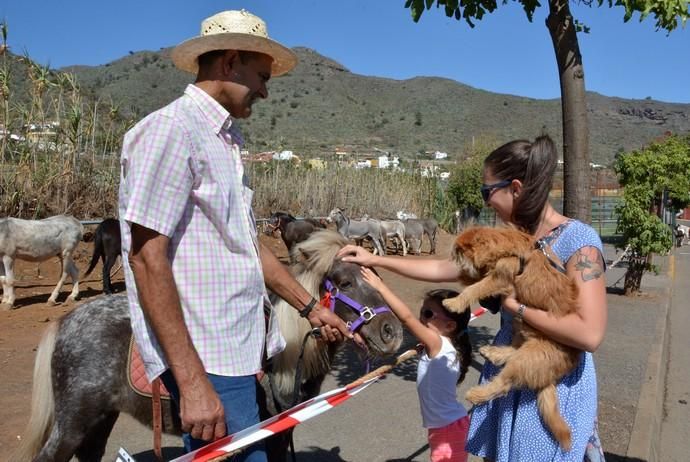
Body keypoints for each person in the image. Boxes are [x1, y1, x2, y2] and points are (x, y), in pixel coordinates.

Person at [118, 10, 353, 461]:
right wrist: (191, 381)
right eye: (261, 76)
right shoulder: (172, 131)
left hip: (235, 348)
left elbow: (245, 246)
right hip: (208, 357)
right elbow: (147, 259)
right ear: (228, 63)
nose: (265, 90)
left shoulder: (225, 141)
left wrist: (309, 309)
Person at [338, 134, 607, 462]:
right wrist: (375, 260)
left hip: (554, 382)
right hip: (511, 379)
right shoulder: (512, 238)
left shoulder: (578, 241)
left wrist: (517, 308)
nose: (485, 201)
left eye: (487, 191)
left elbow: (589, 333)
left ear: (516, 188)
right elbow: (446, 267)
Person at [361, 267, 471, 462]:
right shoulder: (440, 346)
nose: (421, 318)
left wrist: (381, 287)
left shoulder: (437, 344)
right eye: (422, 311)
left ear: (450, 326)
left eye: (428, 314)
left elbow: (406, 318)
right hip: (445, 426)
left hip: (447, 429)